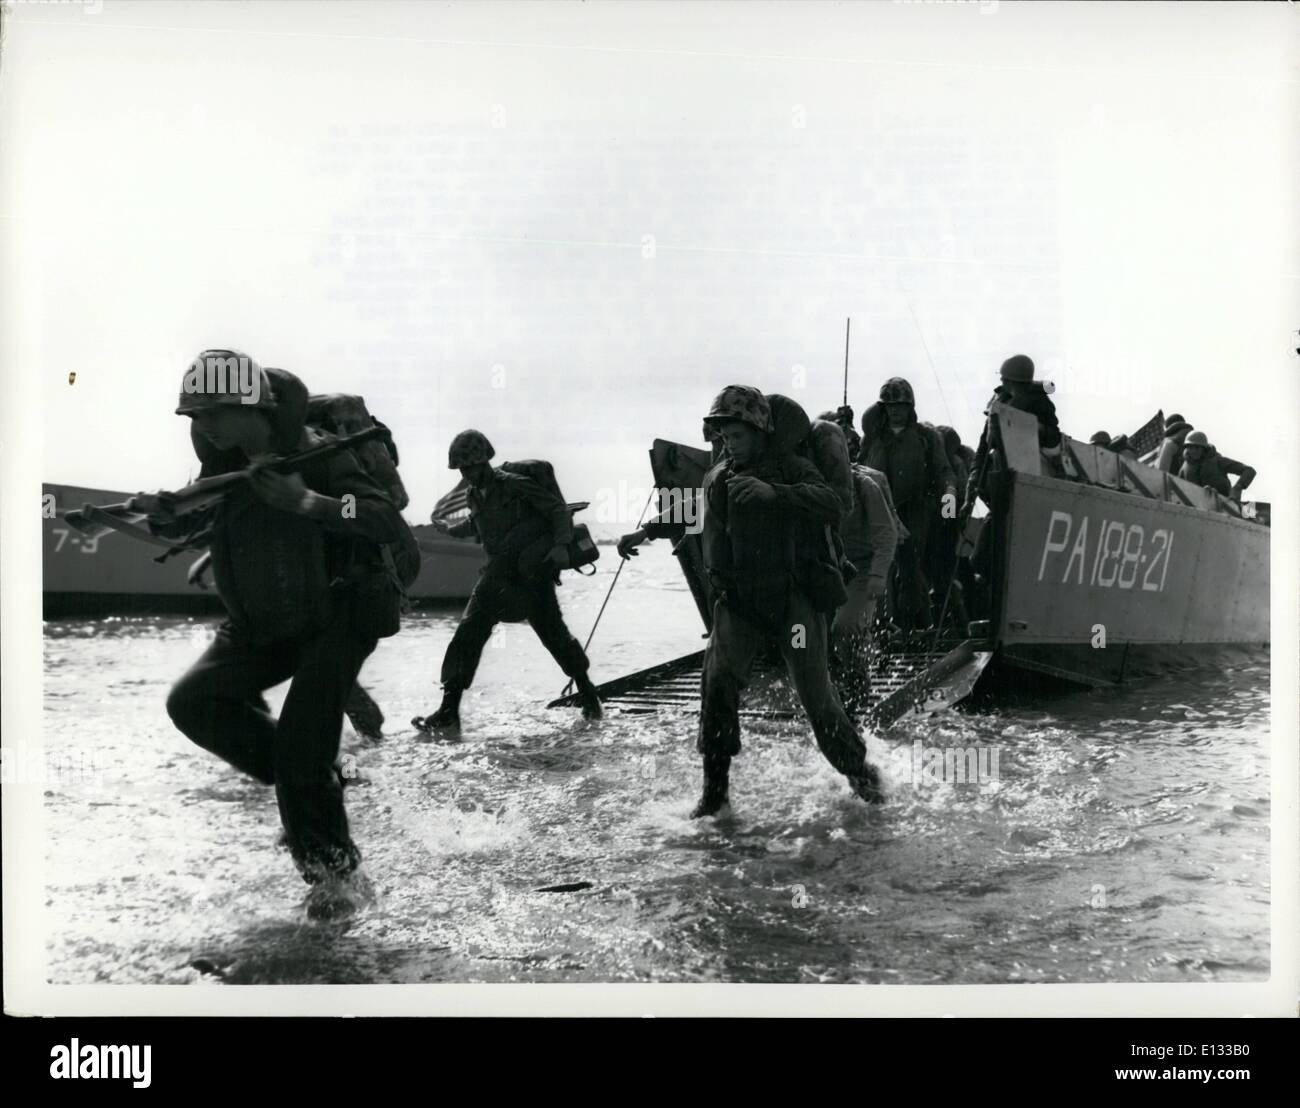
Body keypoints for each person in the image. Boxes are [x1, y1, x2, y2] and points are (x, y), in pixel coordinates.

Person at [147, 352, 407, 921]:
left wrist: (308, 502)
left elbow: (384, 515)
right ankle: (313, 778)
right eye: (193, 415)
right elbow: (197, 518)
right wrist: (163, 514)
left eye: (212, 411)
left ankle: (337, 886)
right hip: (269, 616)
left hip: (341, 610)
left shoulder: (319, 456)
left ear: (254, 407)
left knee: (299, 751)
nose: (202, 425)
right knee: (194, 702)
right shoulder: (226, 465)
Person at [693, 385, 882, 818]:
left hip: (794, 604)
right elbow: (712, 538)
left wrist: (774, 493)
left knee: (816, 696)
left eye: (735, 431)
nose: (727, 440)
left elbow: (834, 503)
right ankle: (714, 794)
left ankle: (861, 774)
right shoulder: (719, 477)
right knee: (718, 685)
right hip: (739, 602)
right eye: (722, 432)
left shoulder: (793, 467)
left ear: (759, 428)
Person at [412, 430, 602, 731]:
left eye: (470, 466)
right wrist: (449, 530)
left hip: (530, 575)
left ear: (485, 461)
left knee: (554, 634)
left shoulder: (513, 485)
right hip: (497, 574)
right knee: (466, 635)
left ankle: (589, 696)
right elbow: (475, 525)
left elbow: (555, 510)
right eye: (462, 468)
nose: (466, 473)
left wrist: (558, 547)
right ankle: (449, 710)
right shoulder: (474, 494)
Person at [861, 378, 956, 631]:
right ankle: (884, 627)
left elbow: (944, 471)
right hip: (879, 510)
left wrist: (949, 498)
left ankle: (918, 626)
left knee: (909, 566)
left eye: (900, 405)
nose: (894, 410)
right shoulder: (873, 438)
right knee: (881, 567)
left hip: (915, 509)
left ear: (910, 406)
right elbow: (858, 471)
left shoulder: (925, 436)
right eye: (889, 405)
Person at [830, 461, 898, 712]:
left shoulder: (864, 486)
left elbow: (886, 535)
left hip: (863, 566)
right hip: (829, 567)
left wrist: (878, 577)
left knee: (845, 627)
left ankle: (858, 684)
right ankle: (834, 686)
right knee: (811, 633)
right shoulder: (808, 481)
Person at [1179, 430, 1255, 500]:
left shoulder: (1218, 461)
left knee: (1251, 509)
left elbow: (1249, 471)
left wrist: (1238, 487)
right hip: (1195, 505)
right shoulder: (1184, 468)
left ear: (1204, 449)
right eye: (1190, 447)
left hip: (1224, 504)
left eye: (1197, 448)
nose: (1193, 451)